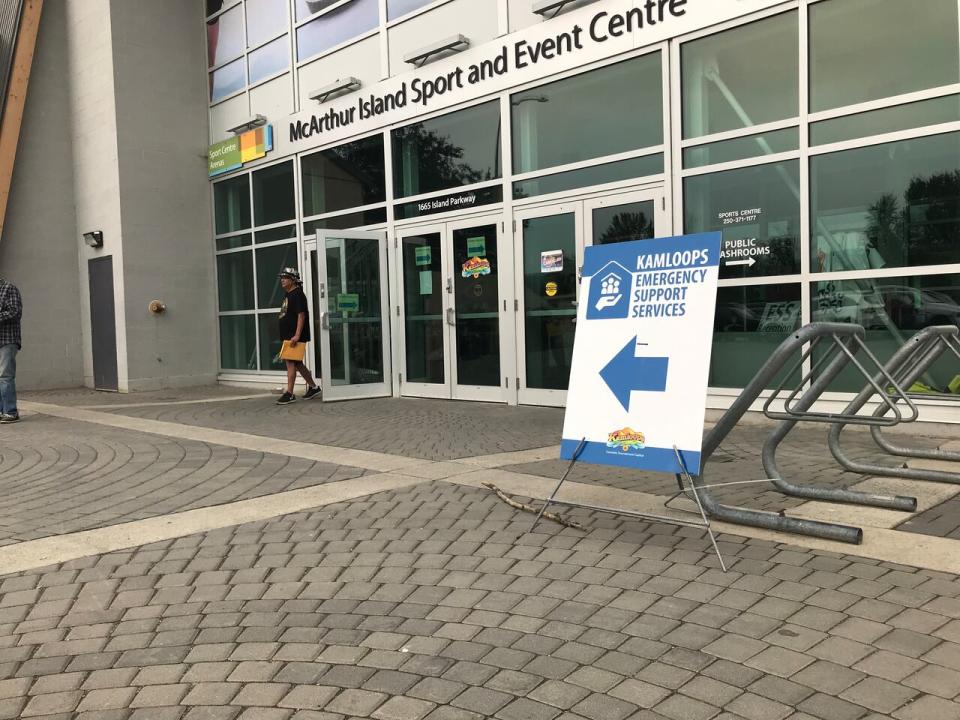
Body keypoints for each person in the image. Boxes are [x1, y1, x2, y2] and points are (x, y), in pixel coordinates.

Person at [276, 268, 320, 405]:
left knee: (290, 363)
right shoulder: (288, 294)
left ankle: (289, 393)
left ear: (293, 280)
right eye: (282, 277)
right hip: (288, 335)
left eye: (286, 277)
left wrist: (297, 335)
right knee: (298, 364)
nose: (282, 280)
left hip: (294, 336)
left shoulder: (297, 295)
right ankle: (314, 387)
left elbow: (301, 315)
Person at [0, 276, 22, 423]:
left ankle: (10, 411)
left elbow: (15, 312)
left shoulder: (9, 288)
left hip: (7, 340)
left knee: (5, 376)